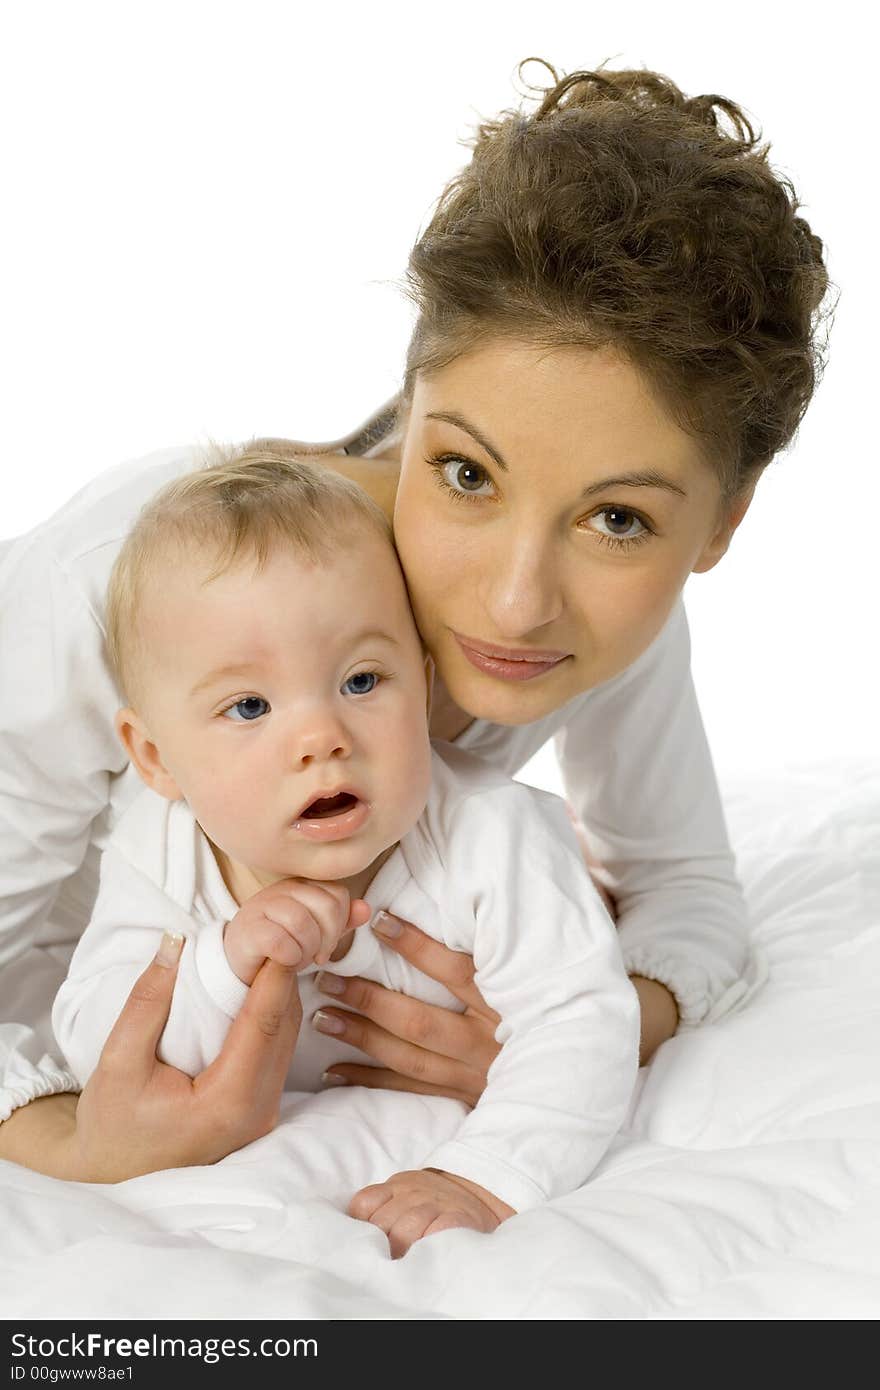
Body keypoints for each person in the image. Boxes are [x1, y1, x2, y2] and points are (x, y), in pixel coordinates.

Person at [0, 60, 831, 1182]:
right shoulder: (129, 579)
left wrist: (574, 1025)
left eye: (619, 518)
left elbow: (683, 891)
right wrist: (64, 1136)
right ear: (409, 396)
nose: (515, 600)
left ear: (719, 525)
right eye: (466, 473)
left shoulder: (612, 623)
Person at [51, 448, 640, 1255]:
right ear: (154, 757)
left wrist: (484, 1175)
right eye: (249, 705)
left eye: (362, 681)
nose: (321, 738)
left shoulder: (493, 834)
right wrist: (226, 960)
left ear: (424, 686)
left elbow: (583, 1022)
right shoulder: (161, 851)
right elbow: (98, 1042)